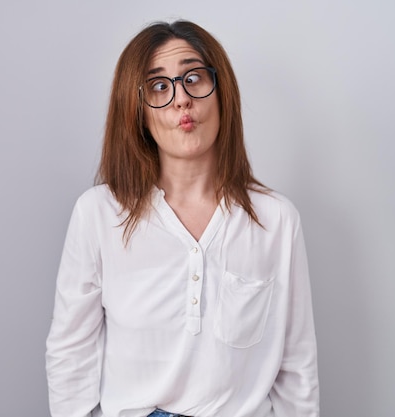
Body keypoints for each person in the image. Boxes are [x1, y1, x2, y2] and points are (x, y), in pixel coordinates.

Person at [45, 20, 319, 417]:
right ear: (137, 110)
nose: (181, 100)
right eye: (159, 86)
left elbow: (297, 368)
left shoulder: (275, 221)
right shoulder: (98, 214)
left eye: (194, 78)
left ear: (221, 93)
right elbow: (70, 353)